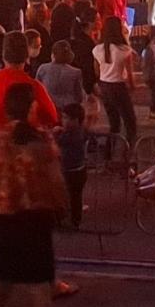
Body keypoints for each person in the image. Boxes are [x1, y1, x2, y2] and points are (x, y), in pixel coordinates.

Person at [0, 83, 69, 307]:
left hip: (4, 217)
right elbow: (56, 180)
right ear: (32, 107)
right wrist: (63, 205)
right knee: (39, 286)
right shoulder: (43, 139)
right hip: (36, 219)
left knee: (3, 284)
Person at [0, 31, 59, 129]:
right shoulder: (34, 86)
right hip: (27, 135)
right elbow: (52, 117)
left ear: (3, 55)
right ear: (26, 55)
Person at [92, 15, 137, 147]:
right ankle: (130, 148)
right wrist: (132, 87)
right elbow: (129, 73)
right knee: (129, 120)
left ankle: (110, 148)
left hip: (105, 86)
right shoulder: (124, 50)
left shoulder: (97, 49)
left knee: (113, 120)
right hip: (119, 85)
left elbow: (96, 71)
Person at [57, 103, 88, 230]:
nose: (63, 121)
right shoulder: (78, 131)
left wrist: (55, 134)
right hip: (76, 169)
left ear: (75, 120)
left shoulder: (73, 134)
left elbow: (60, 141)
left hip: (72, 171)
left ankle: (73, 220)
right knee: (73, 196)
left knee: (73, 196)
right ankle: (72, 219)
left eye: (66, 118)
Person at [38, 40, 84, 115]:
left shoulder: (43, 68)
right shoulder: (76, 72)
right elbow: (79, 97)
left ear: (53, 54)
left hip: (48, 108)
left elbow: (37, 90)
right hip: (68, 111)